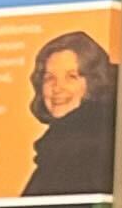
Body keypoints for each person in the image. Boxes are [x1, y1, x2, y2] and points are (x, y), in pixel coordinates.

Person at [19, 28, 116, 197]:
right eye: (49, 78)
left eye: (72, 77)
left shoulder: (86, 148)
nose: (57, 88)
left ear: (94, 82)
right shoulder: (58, 145)